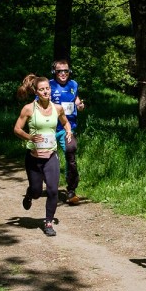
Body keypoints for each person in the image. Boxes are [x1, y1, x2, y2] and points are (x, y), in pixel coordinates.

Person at [14, 74, 74, 237]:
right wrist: (30, 137)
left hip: (51, 155)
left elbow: (65, 121)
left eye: (48, 88)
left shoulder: (57, 108)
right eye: (42, 89)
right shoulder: (28, 109)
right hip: (33, 157)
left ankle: (48, 222)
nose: (46, 92)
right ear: (35, 91)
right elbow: (17, 129)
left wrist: (68, 131)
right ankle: (29, 194)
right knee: (36, 191)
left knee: (53, 190)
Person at [49, 59, 85, 204]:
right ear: (54, 72)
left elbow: (76, 100)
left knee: (71, 153)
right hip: (50, 128)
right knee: (48, 159)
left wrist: (80, 105)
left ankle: (71, 191)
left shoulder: (73, 84)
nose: (63, 74)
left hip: (68, 128)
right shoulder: (49, 85)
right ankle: (46, 184)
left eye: (66, 71)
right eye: (60, 71)